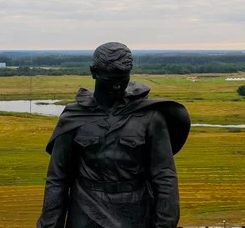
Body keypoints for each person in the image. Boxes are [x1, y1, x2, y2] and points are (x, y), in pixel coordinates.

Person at [37, 42, 191, 228]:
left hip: (136, 214)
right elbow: (57, 178)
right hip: (85, 212)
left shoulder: (149, 117)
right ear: (93, 72)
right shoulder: (74, 117)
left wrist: (165, 224)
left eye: (122, 79)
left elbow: (164, 176)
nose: (117, 87)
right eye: (110, 81)